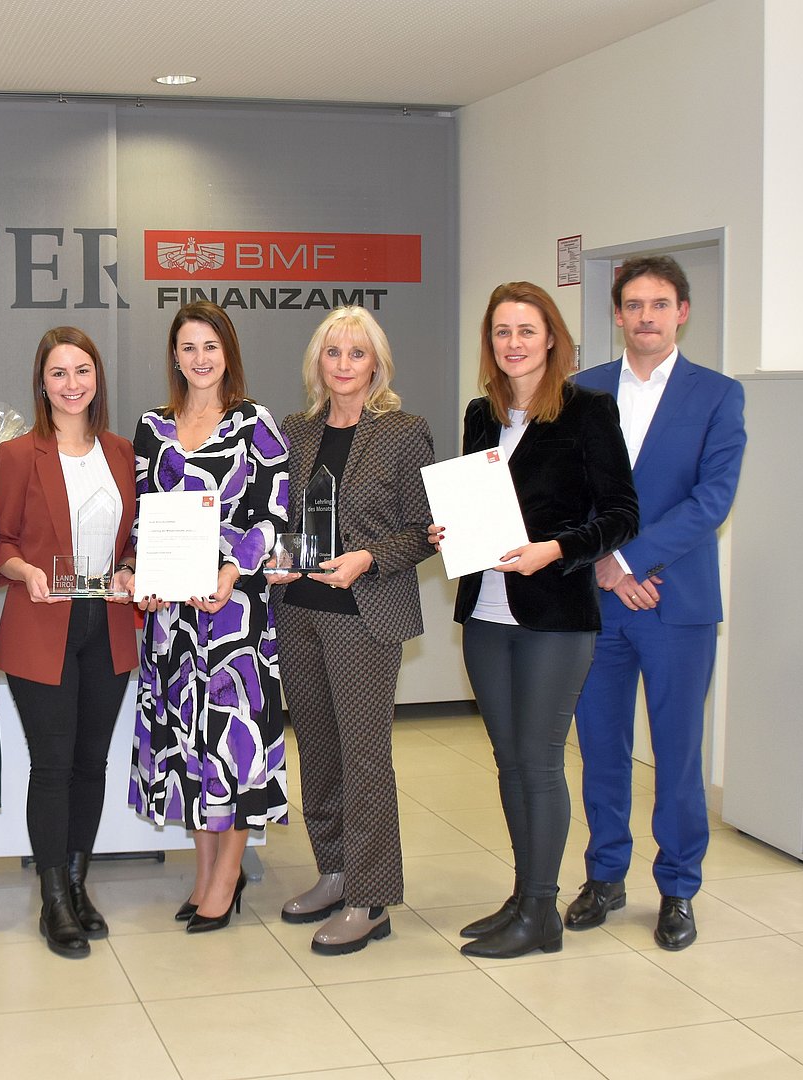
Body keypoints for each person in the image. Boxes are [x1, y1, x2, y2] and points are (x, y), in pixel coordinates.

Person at [430, 281, 638, 959]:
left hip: (555, 614)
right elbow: (476, 501)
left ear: (551, 338)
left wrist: (556, 549)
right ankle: (523, 896)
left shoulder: (587, 411)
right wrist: (446, 529)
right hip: (487, 611)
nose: (513, 343)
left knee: (540, 762)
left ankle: (543, 912)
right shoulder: (481, 414)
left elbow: (621, 515)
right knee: (509, 760)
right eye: (502, 332)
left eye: (526, 330)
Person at [566, 256, 746, 951]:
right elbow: (566, 494)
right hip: (597, 603)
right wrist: (605, 567)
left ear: (682, 312)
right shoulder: (581, 390)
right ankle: (605, 875)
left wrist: (630, 561)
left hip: (677, 604)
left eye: (660, 304)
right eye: (634, 305)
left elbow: (712, 499)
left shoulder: (718, 395)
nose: (646, 317)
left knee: (677, 753)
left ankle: (678, 887)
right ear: (617, 315)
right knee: (601, 750)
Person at [273, 307, 435, 954]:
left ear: (377, 364)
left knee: (363, 758)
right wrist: (275, 555)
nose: (343, 364)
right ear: (317, 362)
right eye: (333, 352)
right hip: (299, 612)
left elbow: (423, 532)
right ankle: (335, 872)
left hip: (364, 617)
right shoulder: (295, 431)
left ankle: (371, 898)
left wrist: (368, 557)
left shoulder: (402, 432)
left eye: (357, 353)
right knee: (317, 752)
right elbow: (278, 518)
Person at [129, 300, 290, 933]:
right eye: (189, 347)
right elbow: (141, 517)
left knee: (231, 744)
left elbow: (271, 512)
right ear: (175, 355)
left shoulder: (254, 422)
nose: (200, 358)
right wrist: (144, 576)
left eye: (210, 346)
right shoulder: (153, 427)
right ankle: (203, 874)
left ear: (228, 353)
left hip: (233, 615)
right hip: (172, 619)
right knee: (187, 746)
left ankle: (228, 876)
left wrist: (230, 572)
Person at [0, 327, 138, 958]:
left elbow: (132, 539)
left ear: (97, 378)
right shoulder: (18, 455)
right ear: (42, 382)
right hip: (42, 623)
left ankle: (78, 885)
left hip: (107, 624)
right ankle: (53, 899)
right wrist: (23, 570)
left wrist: (129, 568)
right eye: (59, 373)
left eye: (82, 370)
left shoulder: (122, 452)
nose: (72, 384)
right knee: (52, 767)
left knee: (91, 764)